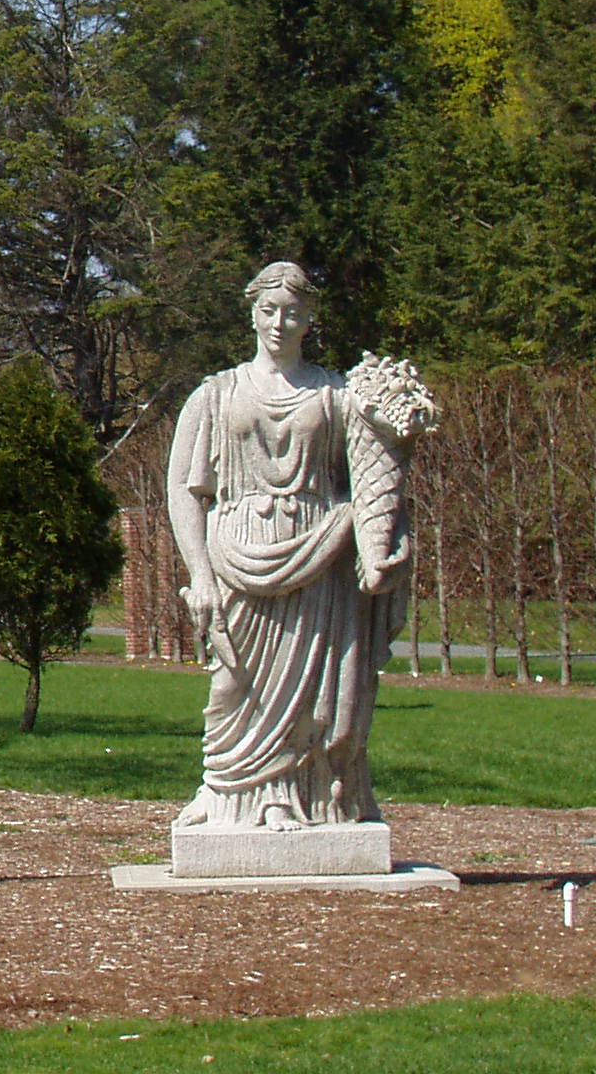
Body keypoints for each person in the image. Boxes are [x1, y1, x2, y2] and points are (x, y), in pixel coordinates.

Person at [166, 261, 428, 831]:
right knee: (232, 684)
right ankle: (222, 792)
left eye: (291, 312)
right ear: (252, 314)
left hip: (319, 553)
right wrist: (201, 576)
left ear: (309, 318)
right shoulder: (216, 393)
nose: (279, 323)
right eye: (268, 311)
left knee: (312, 692)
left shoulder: (339, 395)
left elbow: (375, 475)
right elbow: (184, 492)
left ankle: (301, 798)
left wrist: (381, 536)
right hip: (239, 553)